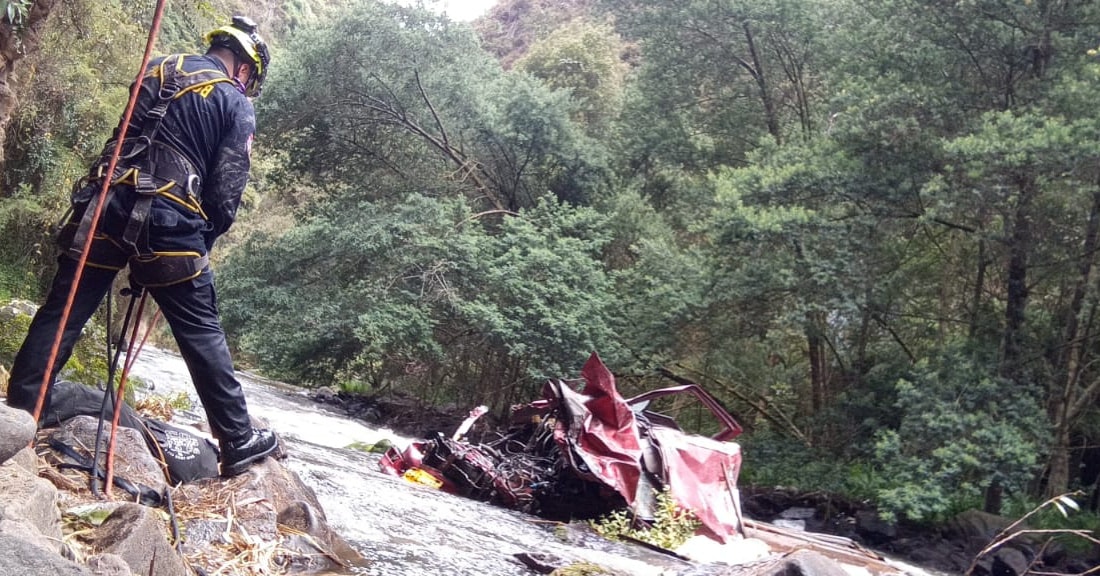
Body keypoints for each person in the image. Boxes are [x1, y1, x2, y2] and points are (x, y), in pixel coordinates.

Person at [5, 16, 279, 477]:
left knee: (64, 308)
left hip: (103, 205)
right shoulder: (234, 101)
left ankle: (22, 409)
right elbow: (225, 194)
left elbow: (123, 139)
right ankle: (237, 439)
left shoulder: (158, 68)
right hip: (169, 221)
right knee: (200, 327)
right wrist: (201, 241)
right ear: (245, 69)